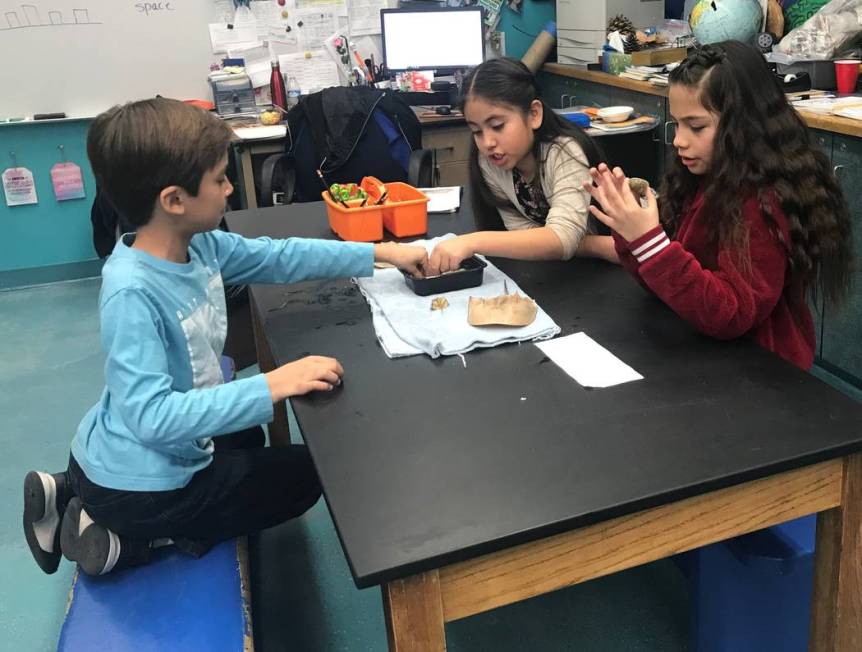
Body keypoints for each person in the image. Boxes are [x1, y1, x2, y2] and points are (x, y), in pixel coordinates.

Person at [22, 97, 427, 576]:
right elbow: (154, 417)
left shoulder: (198, 245)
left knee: (247, 435)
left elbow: (280, 257)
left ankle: (70, 488)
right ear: (175, 200)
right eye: (219, 178)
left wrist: (381, 254)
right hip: (141, 484)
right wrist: (275, 383)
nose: (231, 187)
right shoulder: (131, 292)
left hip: (112, 448)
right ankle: (121, 536)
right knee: (303, 477)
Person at [584, 41, 852, 370]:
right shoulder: (701, 178)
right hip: (704, 356)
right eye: (678, 124)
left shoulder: (763, 200)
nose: (679, 140)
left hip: (761, 376)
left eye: (696, 126)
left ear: (744, 125)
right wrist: (630, 230)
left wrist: (649, 244)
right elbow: (667, 287)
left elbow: (732, 314)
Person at [424, 57, 618, 276]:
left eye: (497, 126)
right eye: (477, 131)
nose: (487, 142)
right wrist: (596, 246)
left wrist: (472, 242)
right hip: (560, 271)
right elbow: (522, 231)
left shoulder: (565, 152)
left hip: (607, 275)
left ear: (534, 114)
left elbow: (562, 239)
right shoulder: (490, 162)